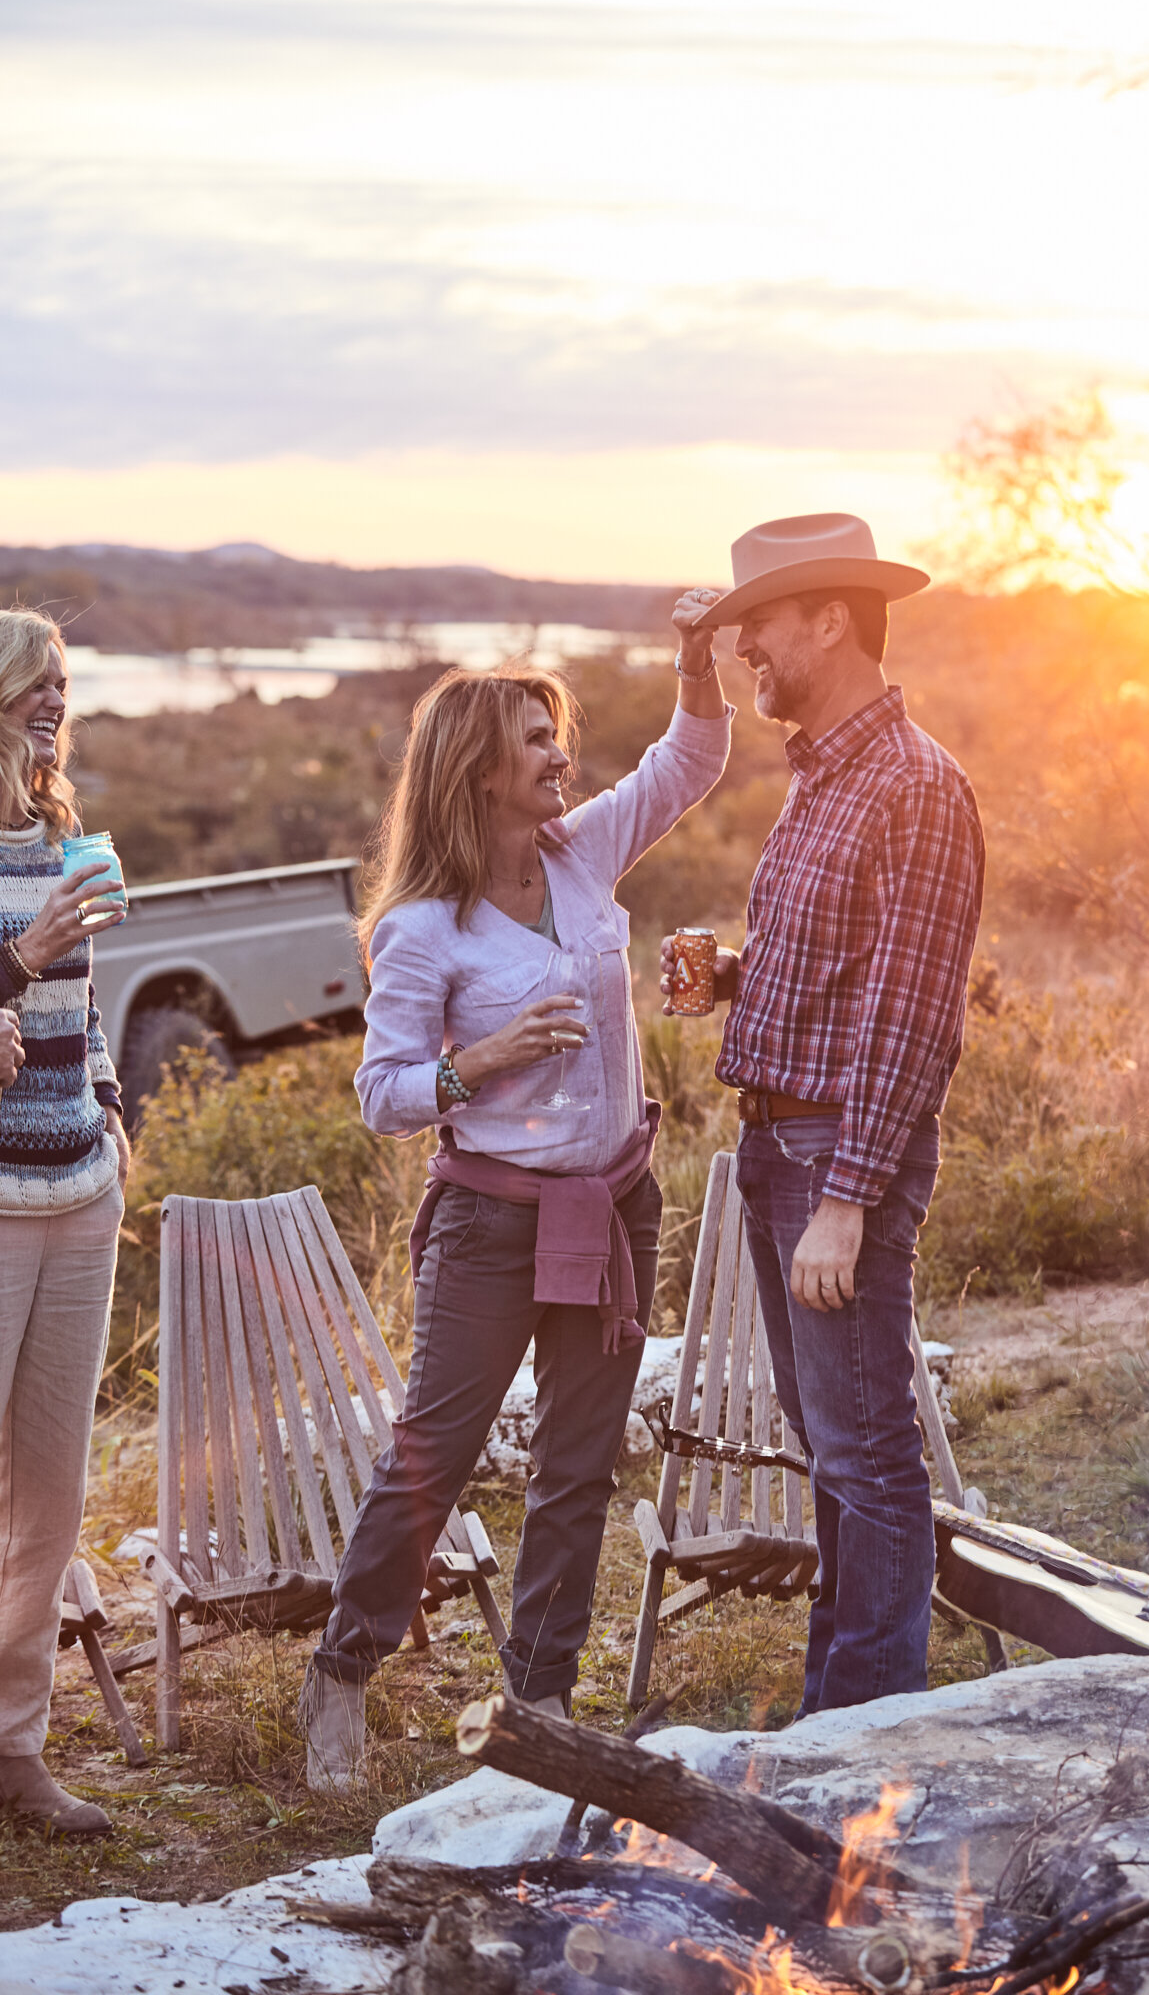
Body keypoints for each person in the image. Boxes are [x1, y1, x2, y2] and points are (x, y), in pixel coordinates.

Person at [302, 635, 730, 1789]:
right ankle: (343, 1665)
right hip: (490, 1227)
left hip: (611, 1207)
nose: (560, 754)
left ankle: (540, 1706)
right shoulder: (421, 927)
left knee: (578, 1465)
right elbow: (383, 1095)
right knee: (432, 1458)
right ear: (479, 768)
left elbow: (687, 762)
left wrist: (697, 665)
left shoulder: (584, 851)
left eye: (558, 734)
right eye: (536, 739)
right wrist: (477, 1058)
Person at [661, 513, 985, 1716]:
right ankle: (833, 1718)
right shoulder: (827, 776)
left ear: (832, 619)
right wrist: (737, 972)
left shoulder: (915, 786)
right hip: (780, 1146)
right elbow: (850, 959)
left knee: (866, 1459)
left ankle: (864, 1735)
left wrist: (845, 1202)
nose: (749, 649)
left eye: (762, 626)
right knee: (835, 1456)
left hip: (830, 1160)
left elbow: (910, 1020)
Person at [0, 610, 132, 1834]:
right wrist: (23, 953)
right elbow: (27, 981)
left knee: (50, 1496)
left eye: (64, 684)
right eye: (35, 682)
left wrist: (108, 1105)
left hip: (79, 1194)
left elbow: (86, 1008)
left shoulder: (65, 833)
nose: (55, 700)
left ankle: (18, 1756)